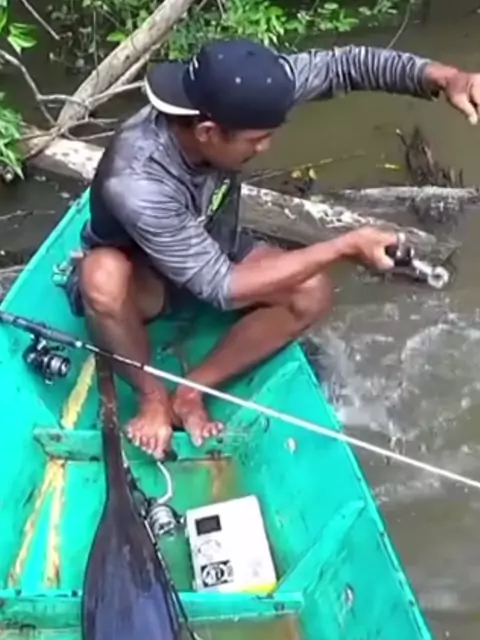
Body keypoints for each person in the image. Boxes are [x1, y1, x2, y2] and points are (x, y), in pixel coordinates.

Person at [66, 37, 480, 459]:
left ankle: (192, 390)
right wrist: (345, 246)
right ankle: (153, 397)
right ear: (207, 132)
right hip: (147, 281)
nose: (265, 147)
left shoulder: (248, 93)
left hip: (213, 244)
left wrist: (448, 77)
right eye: (257, 139)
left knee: (311, 292)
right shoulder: (137, 180)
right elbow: (222, 287)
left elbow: (346, 65)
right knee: (101, 277)